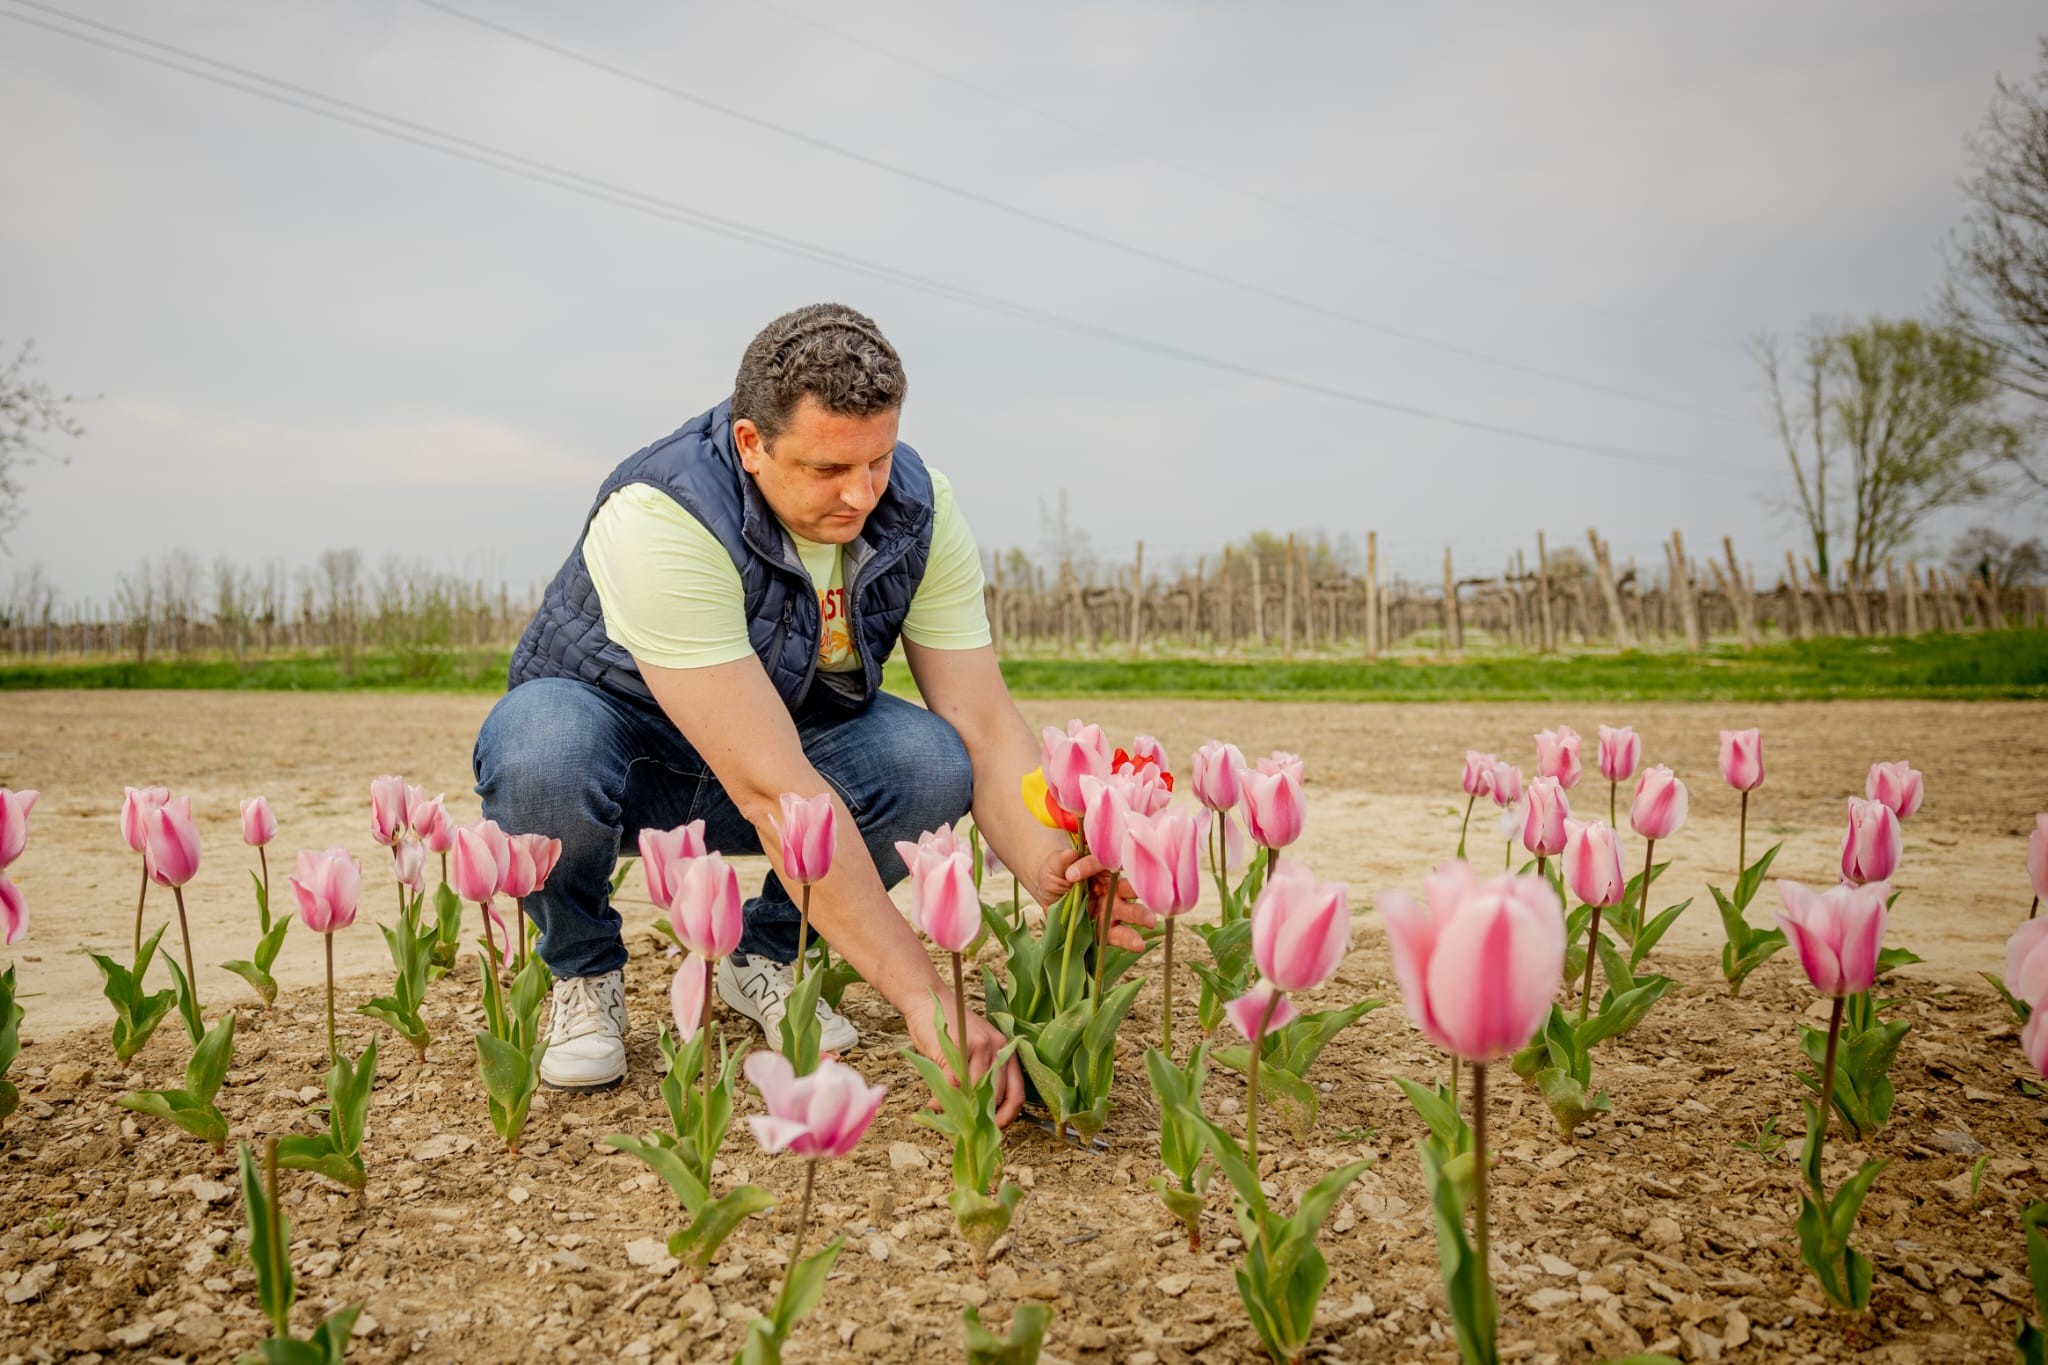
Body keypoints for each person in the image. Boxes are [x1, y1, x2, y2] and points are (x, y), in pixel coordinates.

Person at [473, 302, 1145, 1122]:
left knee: (931, 759)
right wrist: (922, 994)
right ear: (752, 444)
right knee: (538, 744)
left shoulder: (919, 509)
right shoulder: (664, 514)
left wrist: (1053, 867)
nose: (862, 494)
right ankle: (582, 971)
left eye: (880, 460)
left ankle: (769, 956)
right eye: (829, 469)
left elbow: (986, 722)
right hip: (624, 749)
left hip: (780, 740)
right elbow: (774, 791)